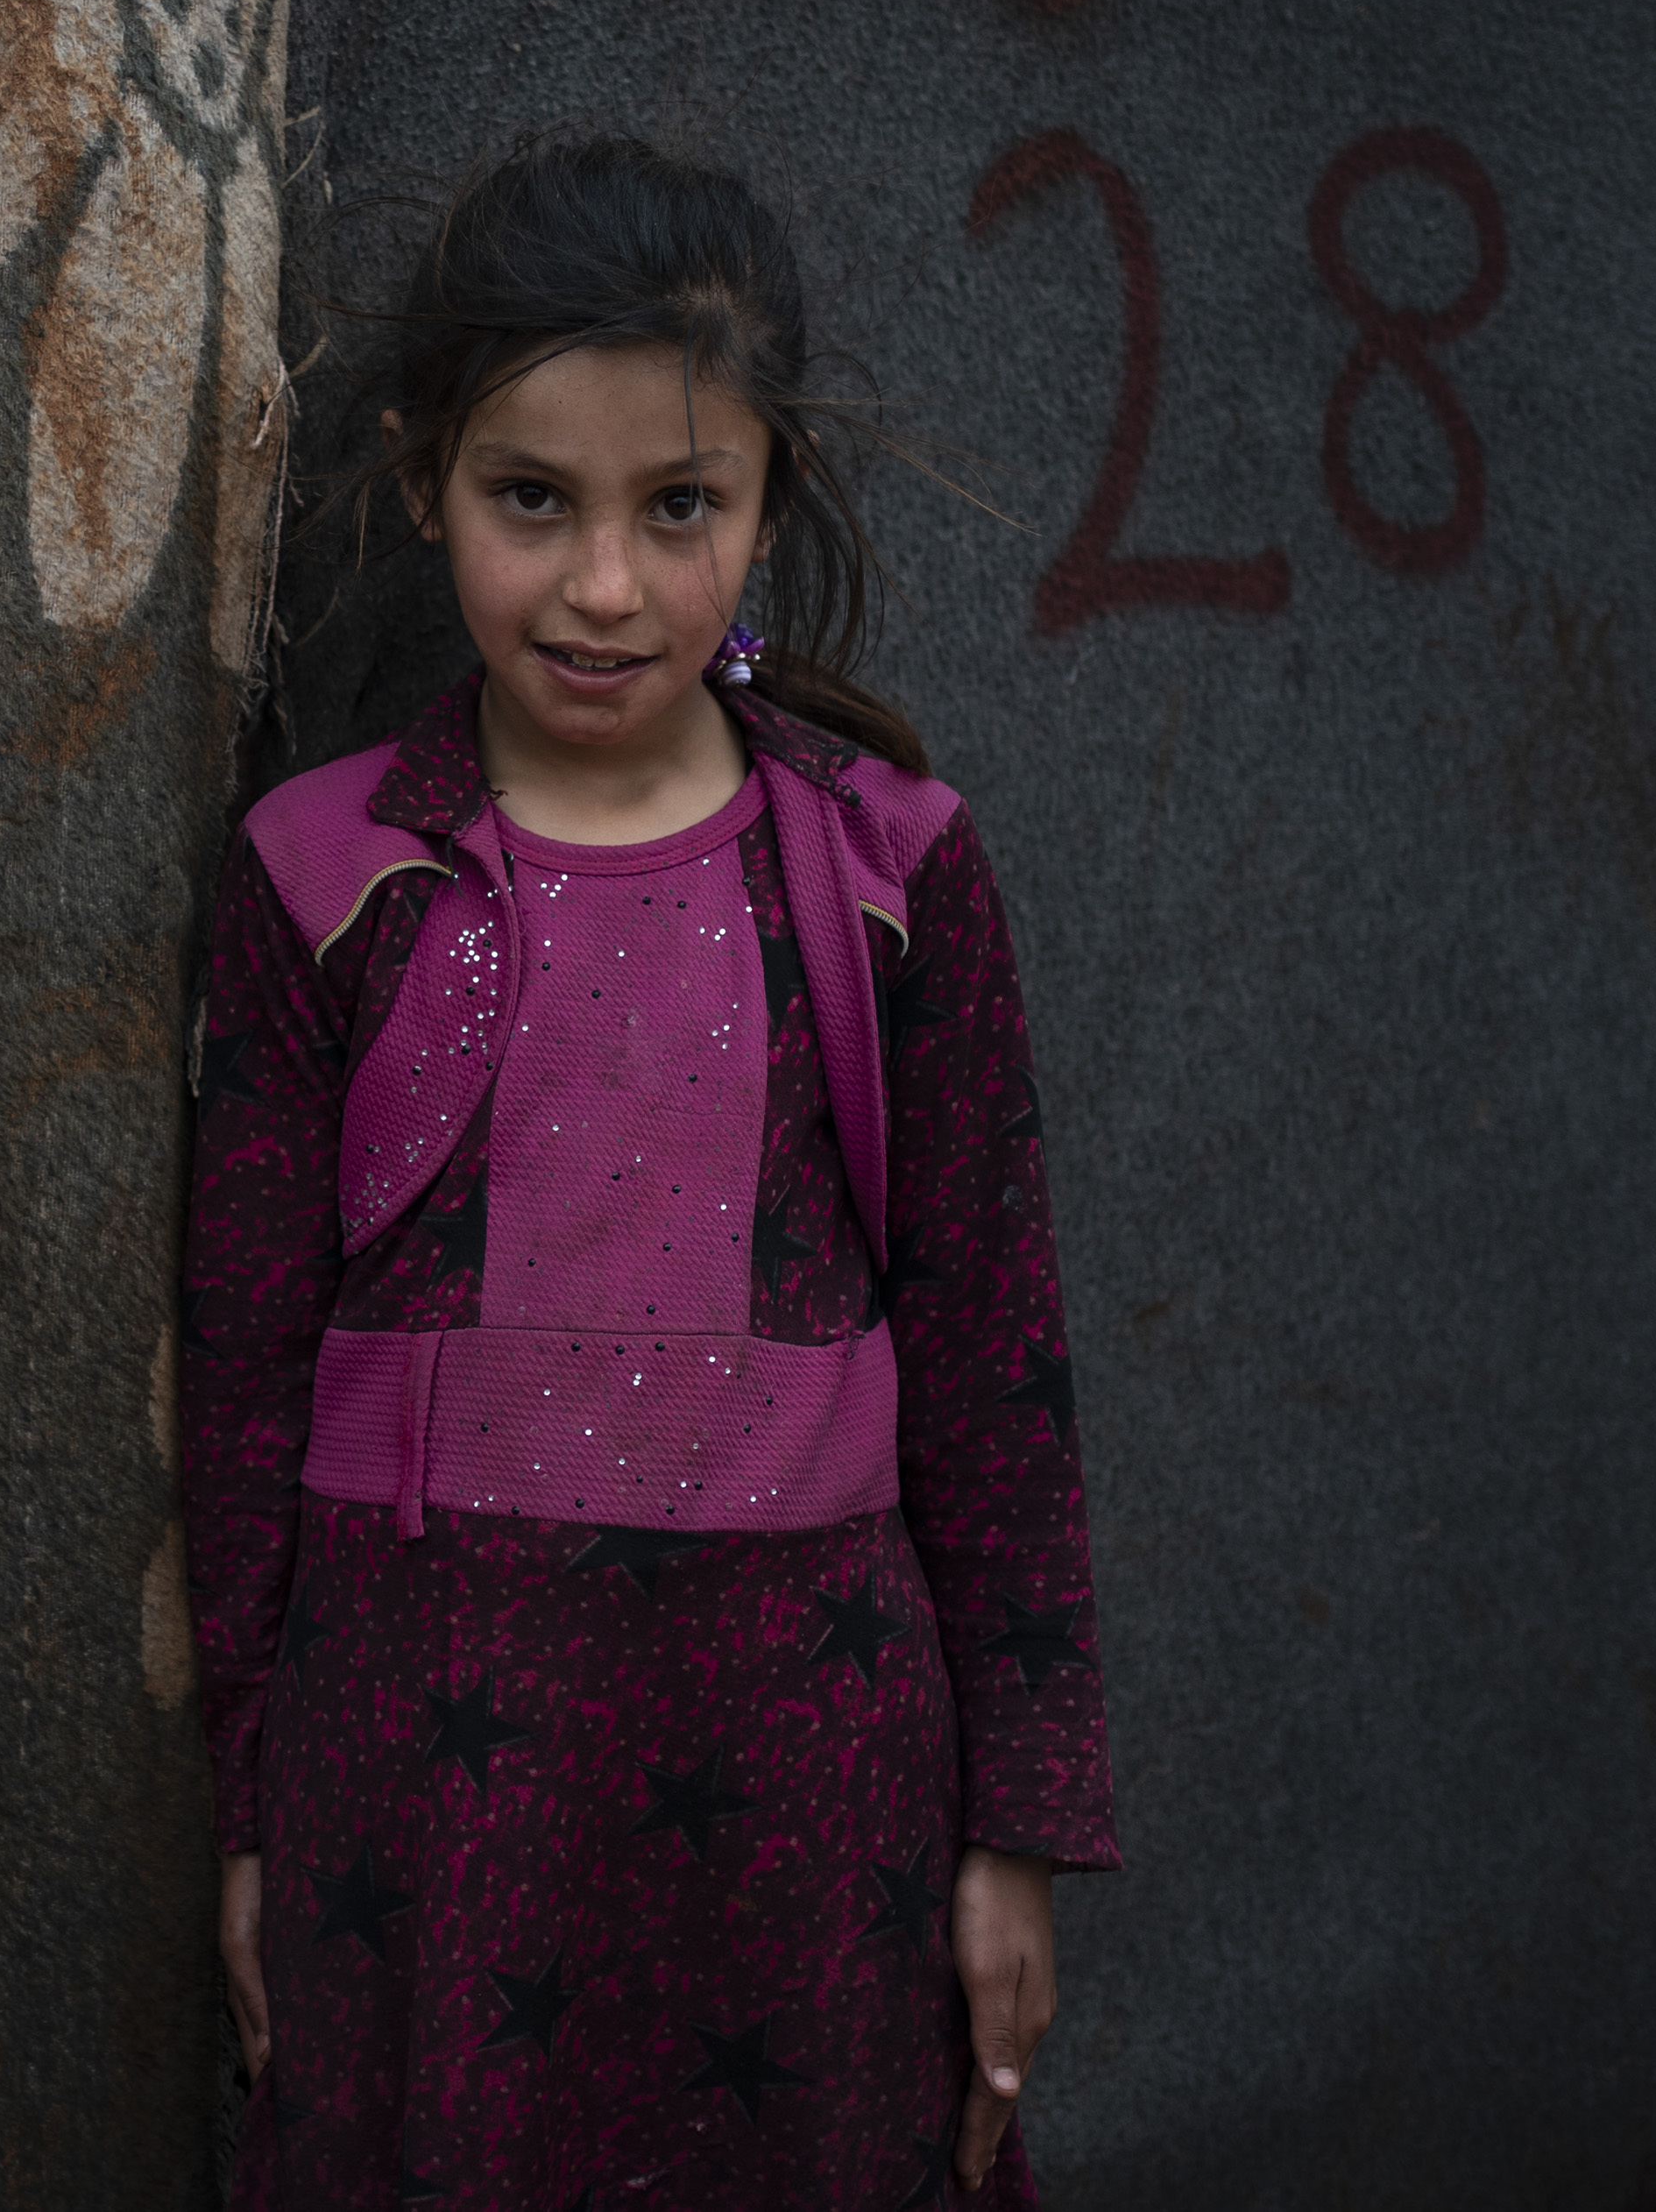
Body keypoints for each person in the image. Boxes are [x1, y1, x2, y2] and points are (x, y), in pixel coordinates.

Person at [181, 138, 1119, 2208]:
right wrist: (253, 1818)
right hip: (412, 1807)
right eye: (534, 497)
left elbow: (996, 1365)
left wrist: (1013, 1832)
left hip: (813, 1799)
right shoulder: (323, 877)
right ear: (426, 478)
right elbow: (242, 1373)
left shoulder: (894, 869)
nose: (602, 584)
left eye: (677, 507)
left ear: (768, 502)